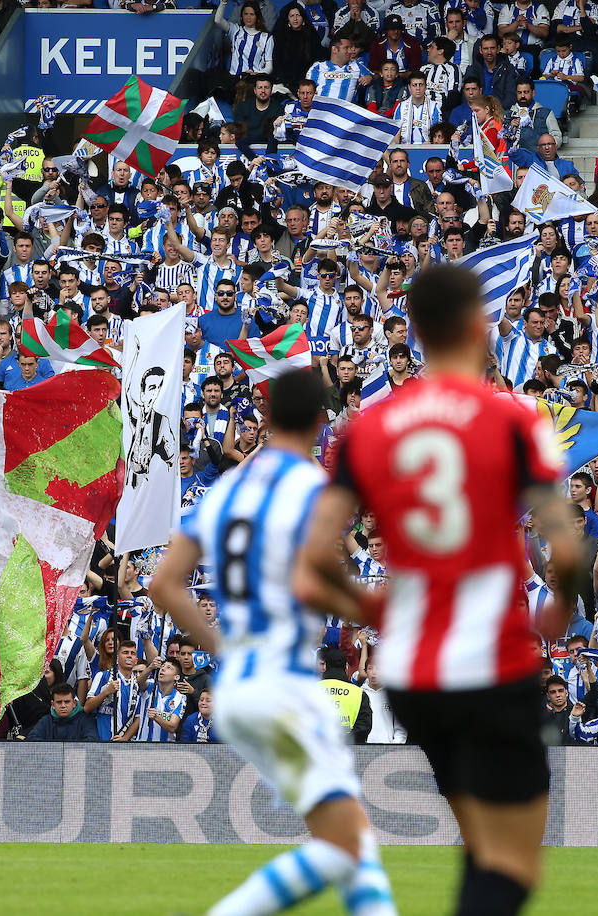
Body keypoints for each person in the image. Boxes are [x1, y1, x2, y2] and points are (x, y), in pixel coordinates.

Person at [297, 265, 583, 916]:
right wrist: (559, 608)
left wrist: (374, 608)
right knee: (513, 856)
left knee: (482, 841)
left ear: (415, 332)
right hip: (491, 659)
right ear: (479, 328)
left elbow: (316, 554)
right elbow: (564, 543)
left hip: (414, 670)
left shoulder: (369, 428)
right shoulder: (514, 416)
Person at [149, 368, 398, 916]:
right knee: (346, 842)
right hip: (282, 683)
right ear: (319, 422)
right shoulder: (308, 487)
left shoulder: (228, 489)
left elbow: (163, 583)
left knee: (351, 836)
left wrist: (224, 646)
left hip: (239, 685)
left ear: (263, 416)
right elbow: (315, 581)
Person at [26, 682, 99, 742]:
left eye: (67, 702)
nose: (63, 705)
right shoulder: (45, 721)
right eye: (59, 702)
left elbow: (91, 741)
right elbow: (32, 740)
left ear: (74, 703)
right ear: (53, 704)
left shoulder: (85, 720)